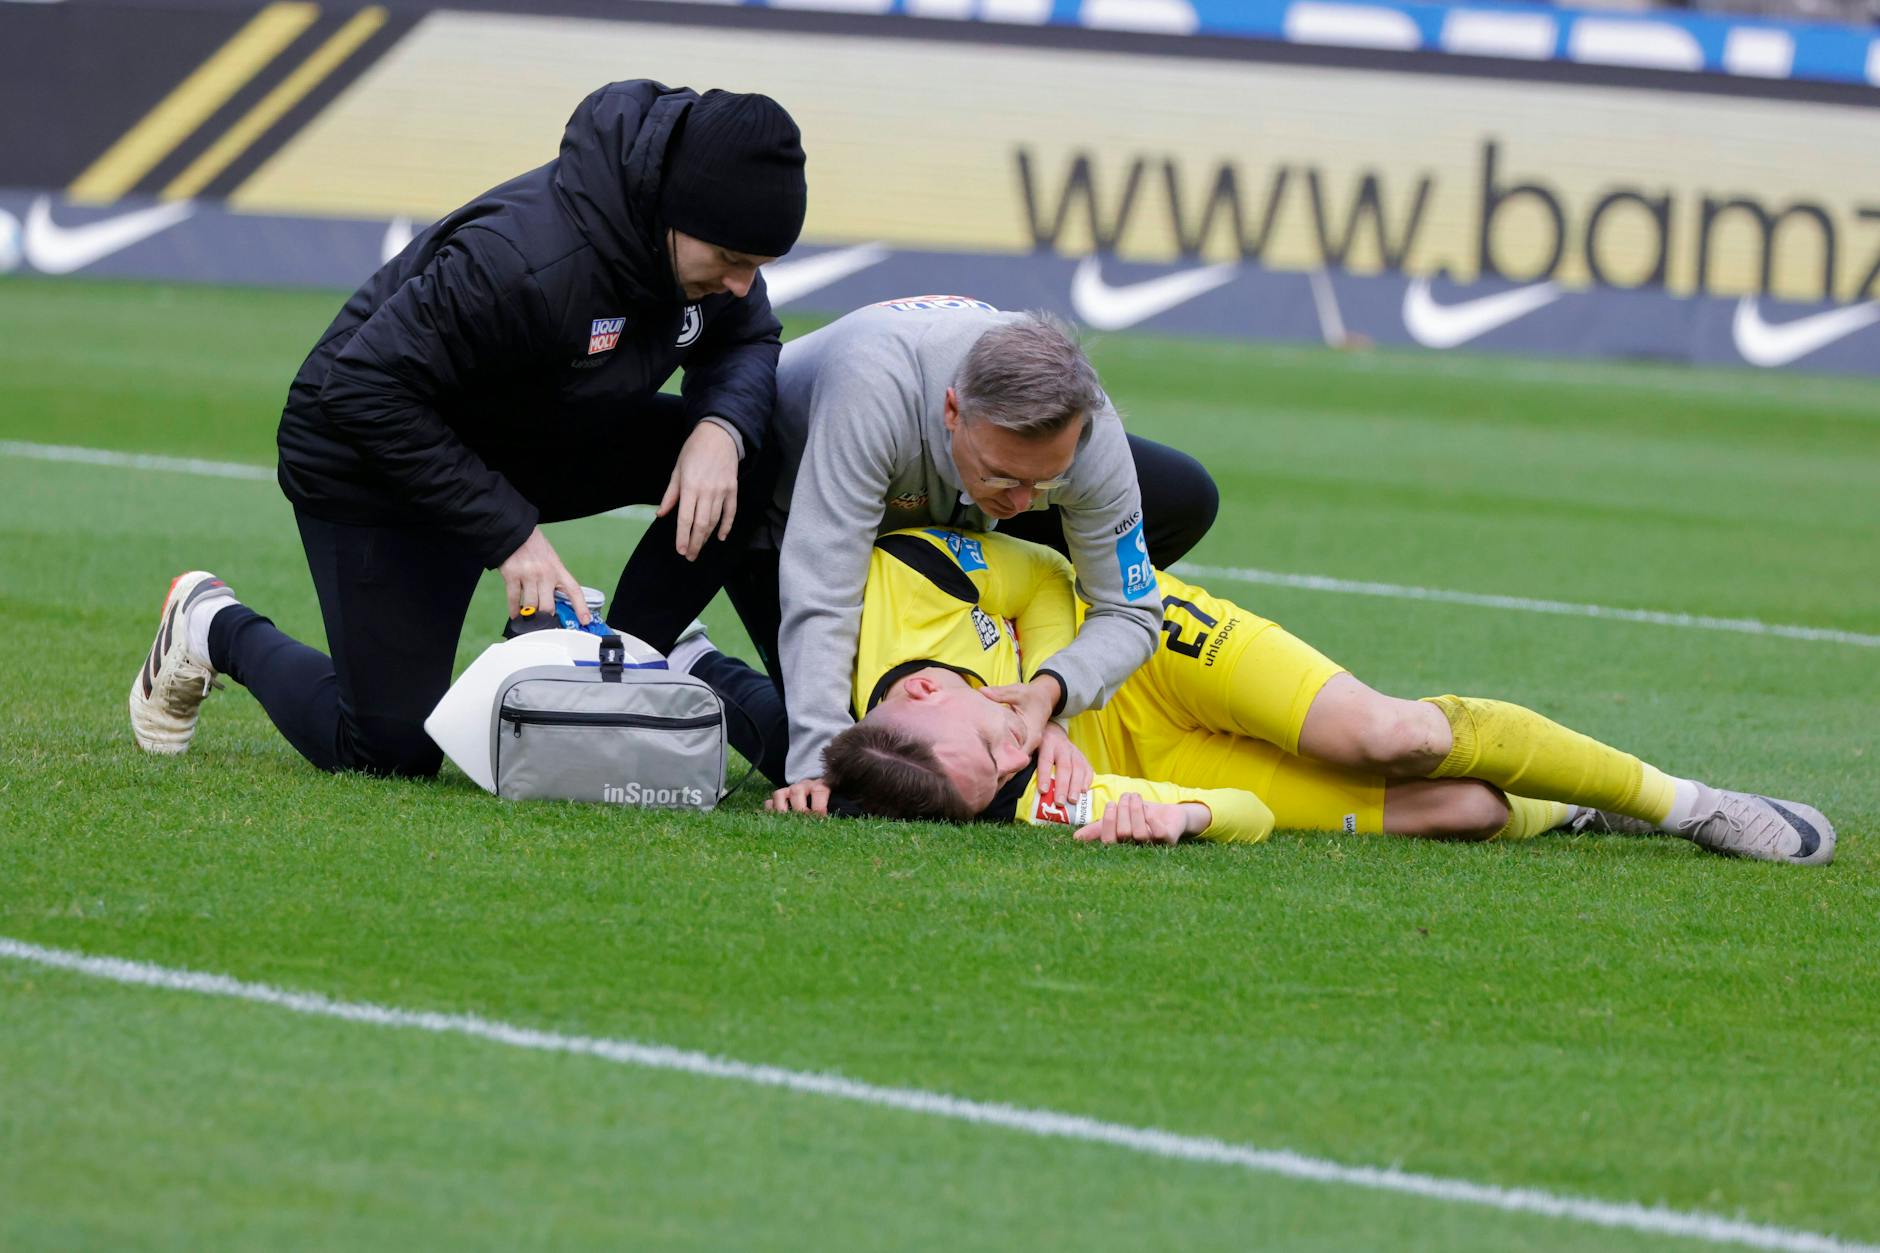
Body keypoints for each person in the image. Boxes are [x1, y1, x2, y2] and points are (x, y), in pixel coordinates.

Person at [128, 81, 807, 775]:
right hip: (372, 454)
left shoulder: (706, 258)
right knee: (389, 751)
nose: (740, 285)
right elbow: (362, 388)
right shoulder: (525, 261)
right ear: (677, 211)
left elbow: (749, 337)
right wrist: (509, 533)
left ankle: (625, 662)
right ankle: (210, 622)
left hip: (529, 433)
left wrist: (719, 429)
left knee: (753, 451)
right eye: (731, 260)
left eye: (757, 267)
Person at [694, 526, 1835, 863]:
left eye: (994, 737)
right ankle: (1567, 801)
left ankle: (1687, 804)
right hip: (1172, 754)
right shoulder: (971, 782)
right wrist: (1176, 813)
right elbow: (1233, 818)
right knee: (1466, 810)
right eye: (1001, 774)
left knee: (1389, 735)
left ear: (935, 684)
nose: (1018, 759)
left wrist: (1042, 693)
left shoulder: (893, 585)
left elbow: (1043, 574)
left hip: (1143, 643)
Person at [683, 301, 1218, 808]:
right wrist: (818, 767)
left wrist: (1050, 697)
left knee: (1182, 495)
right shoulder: (872, 390)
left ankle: (988, 636)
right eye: (1002, 474)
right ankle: (694, 660)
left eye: (1045, 482)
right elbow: (823, 589)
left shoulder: (1091, 438)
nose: (1022, 504)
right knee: (861, 768)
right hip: (785, 501)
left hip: (938, 510)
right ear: (952, 411)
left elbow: (1130, 610)